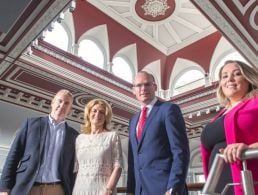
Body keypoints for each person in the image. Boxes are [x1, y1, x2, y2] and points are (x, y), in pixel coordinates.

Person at [0, 89, 79, 195]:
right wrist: (4, 187)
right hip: (28, 187)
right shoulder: (31, 124)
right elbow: (13, 156)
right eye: (59, 101)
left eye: (66, 103)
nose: (62, 105)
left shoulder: (74, 135)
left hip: (57, 190)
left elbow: (72, 168)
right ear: (52, 102)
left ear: (70, 109)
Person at [127, 71, 190, 195]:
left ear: (154, 87)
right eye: (139, 85)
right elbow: (132, 159)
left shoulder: (168, 110)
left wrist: (173, 187)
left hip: (164, 188)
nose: (143, 88)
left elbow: (180, 151)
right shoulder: (133, 120)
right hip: (140, 190)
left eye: (147, 84)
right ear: (133, 90)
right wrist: (130, 189)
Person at [201, 60, 258, 195]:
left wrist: (250, 148)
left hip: (248, 184)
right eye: (224, 76)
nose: (230, 79)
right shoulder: (221, 113)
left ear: (248, 79)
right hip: (218, 186)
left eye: (237, 74)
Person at [72, 99, 123, 195]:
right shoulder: (80, 138)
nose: (97, 114)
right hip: (80, 190)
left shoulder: (112, 136)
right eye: (94, 111)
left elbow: (118, 166)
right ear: (88, 114)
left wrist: (109, 190)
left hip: (103, 191)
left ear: (106, 117)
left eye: (102, 112)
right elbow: (76, 168)